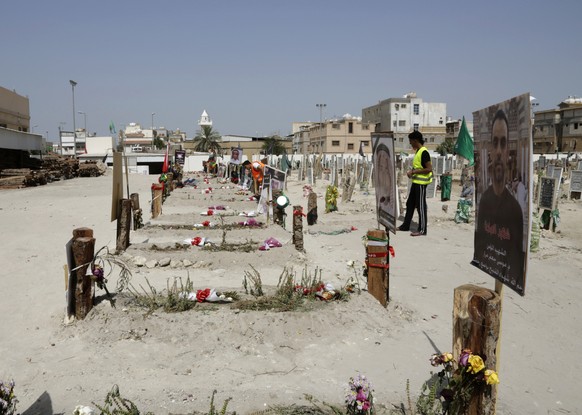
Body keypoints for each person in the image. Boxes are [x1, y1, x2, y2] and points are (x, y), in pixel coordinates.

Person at [473, 109, 524, 288]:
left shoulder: (515, 210)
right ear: (490, 150)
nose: (500, 152)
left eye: (504, 143)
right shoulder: (484, 201)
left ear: (508, 149)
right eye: (495, 143)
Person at [398, 131, 433, 236]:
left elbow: (429, 169)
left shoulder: (424, 152)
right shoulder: (418, 151)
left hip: (421, 184)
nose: (410, 144)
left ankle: (422, 229)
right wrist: (412, 172)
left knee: (421, 206)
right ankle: (405, 226)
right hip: (416, 182)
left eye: (411, 141)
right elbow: (419, 166)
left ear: (415, 140)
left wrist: (413, 172)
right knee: (410, 204)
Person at [373, 142, 396, 229]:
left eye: (386, 169)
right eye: (380, 168)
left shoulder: (392, 206)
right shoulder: (380, 202)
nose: (383, 174)